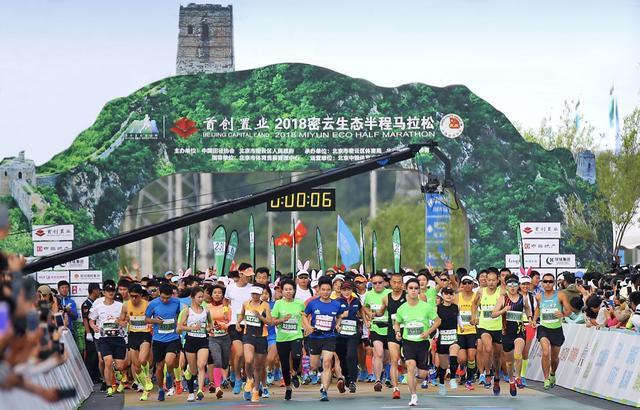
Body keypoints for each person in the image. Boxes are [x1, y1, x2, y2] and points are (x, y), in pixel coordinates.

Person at [393, 278, 440, 407]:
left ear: (419, 290)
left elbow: (438, 321)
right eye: (411, 288)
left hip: (423, 343)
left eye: (416, 288)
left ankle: (417, 379)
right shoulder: (402, 308)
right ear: (406, 290)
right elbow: (397, 323)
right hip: (408, 342)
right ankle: (413, 396)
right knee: (411, 367)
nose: (413, 290)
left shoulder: (426, 307)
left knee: (422, 374)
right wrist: (397, 332)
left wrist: (428, 331)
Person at [303, 276, 345, 401]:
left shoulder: (336, 304)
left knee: (327, 362)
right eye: (323, 290)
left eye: (328, 290)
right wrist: (308, 326)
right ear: (319, 290)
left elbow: (339, 316)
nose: (326, 292)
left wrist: (338, 325)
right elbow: (304, 315)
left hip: (329, 337)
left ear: (331, 290)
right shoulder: (313, 303)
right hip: (315, 337)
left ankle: (324, 391)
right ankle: (320, 371)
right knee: (314, 365)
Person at [491, 275, 533, 397]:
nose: (513, 288)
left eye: (515, 285)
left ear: (518, 286)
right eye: (510, 285)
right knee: (509, 363)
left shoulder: (522, 298)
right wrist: (503, 310)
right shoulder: (503, 298)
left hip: (520, 331)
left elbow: (527, 308)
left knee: (518, 354)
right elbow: (493, 314)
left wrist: (530, 318)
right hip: (506, 333)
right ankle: (511, 380)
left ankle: (518, 377)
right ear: (507, 287)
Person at [533, 273, 572, 390]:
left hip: (556, 329)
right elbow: (538, 308)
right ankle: (546, 379)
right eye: (545, 281)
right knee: (545, 352)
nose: (548, 284)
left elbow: (569, 310)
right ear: (542, 283)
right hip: (543, 328)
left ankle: (552, 373)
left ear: (554, 283)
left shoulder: (560, 295)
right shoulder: (539, 296)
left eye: (550, 281)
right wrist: (534, 319)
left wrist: (563, 314)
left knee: (554, 358)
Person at [88, 280, 126, 397]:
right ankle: (109, 386)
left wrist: (122, 322)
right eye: (108, 290)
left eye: (112, 290)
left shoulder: (120, 306)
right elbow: (91, 319)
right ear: (103, 292)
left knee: (120, 366)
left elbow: (126, 319)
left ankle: (116, 370)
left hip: (118, 338)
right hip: (104, 338)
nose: (110, 292)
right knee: (107, 361)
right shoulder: (98, 306)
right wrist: (93, 326)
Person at [145, 283, 182, 401]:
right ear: (159, 293)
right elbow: (146, 319)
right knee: (159, 367)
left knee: (170, 361)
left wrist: (179, 324)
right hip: (158, 340)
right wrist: (155, 321)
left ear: (172, 295)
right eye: (163, 298)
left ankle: (169, 374)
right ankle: (161, 389)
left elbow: (181, 315)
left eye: (168, 298)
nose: (165, 300)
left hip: (173, 338)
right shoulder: (153, 304)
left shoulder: (176, 302)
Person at [237, 283, 272, 403]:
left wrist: (260, 317)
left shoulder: (265, 305)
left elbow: (270, 322)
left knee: (258, 366)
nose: (255, 296)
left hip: (261, 337)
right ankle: (249, 379)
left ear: (260, 294)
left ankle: (256, 390)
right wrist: (238, 323)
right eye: (253, 294)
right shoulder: (246, 303)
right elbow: (242, 314)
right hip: (248, 336)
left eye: (257, 294)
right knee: (248, 360)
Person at [271, 279, 306, 400]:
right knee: (285, 366)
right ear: (282, 291)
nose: (288, 291)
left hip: (296, 335)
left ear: (294, 290)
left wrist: (307, 327)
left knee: (296, 356)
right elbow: (273, 321)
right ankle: (288, 388)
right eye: (286, 289)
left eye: (290, 289)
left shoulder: (299, 303)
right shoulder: (278, 304)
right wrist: (282, 320)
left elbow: (305, 316)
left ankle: (295, 372)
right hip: (282, 338)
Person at [373, 272, 405, 399]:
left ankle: (405, 370)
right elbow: (381, 312)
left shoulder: (408, 296)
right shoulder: (386, 298)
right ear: (390, 283)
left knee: (408, 361)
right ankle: (395, 388)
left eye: (399, 282)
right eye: (394, 282)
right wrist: (373, 313)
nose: (396, 285)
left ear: (402, 284)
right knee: (394, 360)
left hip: (407, 331)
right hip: (392, 331)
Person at [471, 268, 503, 394]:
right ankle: (487, 373)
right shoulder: (481, 291)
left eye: (493, 280)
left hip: (498, 327)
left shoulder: (501, 292)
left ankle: (497, 377)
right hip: (483, 326)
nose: (491, 283)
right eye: (489, 280)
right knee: (488, 348)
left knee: (497, 356)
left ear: (497, 280)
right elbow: (474, 304)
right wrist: (474, 316)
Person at [119, 283, 153, 401]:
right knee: (137, 367)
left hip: (145, 334)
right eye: (131, 296)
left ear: (141, 295)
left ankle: (147, 378)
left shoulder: (147, 305)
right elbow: (121, 319)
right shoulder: (125, 306)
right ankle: (145, 388)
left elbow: (154, 318)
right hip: (133, 335)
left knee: (143, 359)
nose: (134, 298)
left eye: (136, 296)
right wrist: (123, 322)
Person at [225, 264, 254, 395]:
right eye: (247, 275)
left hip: (249, 324)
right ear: (240, 274)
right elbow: (226, 300)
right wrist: (226, 311)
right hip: (234, 324)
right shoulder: (230, 288)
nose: (249, 278)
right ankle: (237, 378)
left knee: (248, 357)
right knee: (239, 353)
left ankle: (248, 380)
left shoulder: (252, 288)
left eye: (251, 276)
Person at [177, 287, 210, 402]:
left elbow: (210, 324)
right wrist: (192, 328)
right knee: (193, 370)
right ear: (192, 297)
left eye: (202, 297)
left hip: (203, 341)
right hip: (190, 340)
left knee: (202, 365)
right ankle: (191, 392)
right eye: (199, 297)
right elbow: (179, 328)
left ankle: (200, 390)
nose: (201, 299)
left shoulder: (206, 311)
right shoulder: (187, 311)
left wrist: (209, 328)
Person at [336, 280, 365, 394]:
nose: (346, 292)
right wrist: (341, 317)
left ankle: (352, 381)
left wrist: (366, 320)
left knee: (351, 355)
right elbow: (334, 315)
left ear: (352, 290)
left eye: (348, 289)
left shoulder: (356, 301)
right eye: (344, 290)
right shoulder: (337, 302)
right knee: (342, 358)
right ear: (341, 291)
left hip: (353, 333)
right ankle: (347, 377)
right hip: (340, 334)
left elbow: (361, 311)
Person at [364, 272, 391, 392]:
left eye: (380, 282)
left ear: (384, 283)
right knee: (378, 354)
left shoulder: (390, 293)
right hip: (376, 328)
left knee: (387, 358)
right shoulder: (369, 295)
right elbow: (365, 307)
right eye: (375, 283)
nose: (378, 285)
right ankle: (378, 380)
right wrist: (368, 317)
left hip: (389, 328)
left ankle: (384, 371)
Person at [206, 284, 231, 399]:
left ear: (223, 295)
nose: (217, 295)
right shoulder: (207, 308)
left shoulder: (227, 308)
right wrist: (208, 328)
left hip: (225, 337)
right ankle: (217, 387)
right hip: (212, 338)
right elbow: (204, 323)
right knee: (217, 360)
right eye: (215, 292)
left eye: (219, 293)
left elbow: (231, 322)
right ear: (211, 294)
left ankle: (223, 377)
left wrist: (223, 325)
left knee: (225, 363)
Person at [435, 286, 460, 396]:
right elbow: (434, 322)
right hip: (442, 337)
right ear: (442, 295)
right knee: (444, 365)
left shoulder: (455, 307)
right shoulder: (438, 308)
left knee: (454, 357)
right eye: (446, 293)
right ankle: (441, 383)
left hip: (453, 336)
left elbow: (459, 319)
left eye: (451, 293)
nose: (448, 296)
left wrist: (462, 328)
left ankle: (453, 378)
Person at [455, 274, 478, 390]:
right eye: (464, 283)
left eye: (469, 283)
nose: (467, 285)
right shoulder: (457, 297)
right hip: (460, 331)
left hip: (473, 331)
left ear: (473, 284)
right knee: (462, 358)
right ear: (461, 285)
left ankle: (469, 379)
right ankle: (462, 369)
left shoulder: (476, 296)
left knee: (471, 357)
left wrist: (477, 319)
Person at [81, 282, 102, 384]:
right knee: (91, 355)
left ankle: (97, 375)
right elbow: (85, 319)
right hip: (90, 333)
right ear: (94, 290)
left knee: (97, 355)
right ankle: (91, 376)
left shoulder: (96, 303)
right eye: (98, 290)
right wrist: (88, 333)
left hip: (97, 332)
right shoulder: (86, 304)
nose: (99, 292)